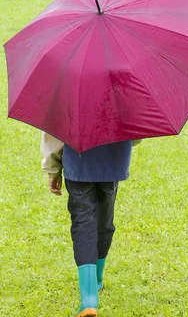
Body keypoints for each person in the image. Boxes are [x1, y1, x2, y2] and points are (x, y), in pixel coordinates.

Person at [41, 132, 141, 317]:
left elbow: (54, 133)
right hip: (114, 160)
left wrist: (53, 169)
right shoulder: (119, 100)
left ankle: (88, 299)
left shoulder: (65, 100)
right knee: (105, 222)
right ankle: (96, 280)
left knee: (83, 223)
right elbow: (135, 129)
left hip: (78, 162)